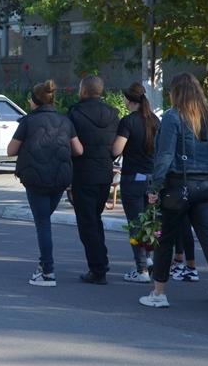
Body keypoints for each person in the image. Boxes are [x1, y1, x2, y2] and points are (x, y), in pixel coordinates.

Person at [140, 73, 208, 317]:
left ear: (176, 93)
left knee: (166, 238)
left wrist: (154, 187)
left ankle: (159, 293)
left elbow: (164, 156)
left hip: (178, 185)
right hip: (206, 187)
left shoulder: (174, 117)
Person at [6, 80, 83, 287]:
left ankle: (47, 271)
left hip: (35, 179)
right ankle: (44, 267)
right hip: (60, 179)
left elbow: (10, 151)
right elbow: (79, 150)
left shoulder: (27, 122)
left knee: (43, 224)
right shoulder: (65, 121)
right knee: (44, 220)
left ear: (34, 101)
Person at [68, 75, 120, 284]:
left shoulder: (75, 113)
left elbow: (70, 145)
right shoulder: (113, 114)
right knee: (95, 218)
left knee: (87, 222)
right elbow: (116, 146)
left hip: (83, 173)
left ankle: (98, 268)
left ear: (84, 91)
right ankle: (100, 262)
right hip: (105, 174)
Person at [113, 82, 159, 283]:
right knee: (150, 222)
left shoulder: (128, 122)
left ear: (129, 100)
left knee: (135, 223)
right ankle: (148, 259)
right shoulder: (155, 120)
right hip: (152, 178)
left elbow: (116, 150)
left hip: (132, 177)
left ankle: (141, 269)